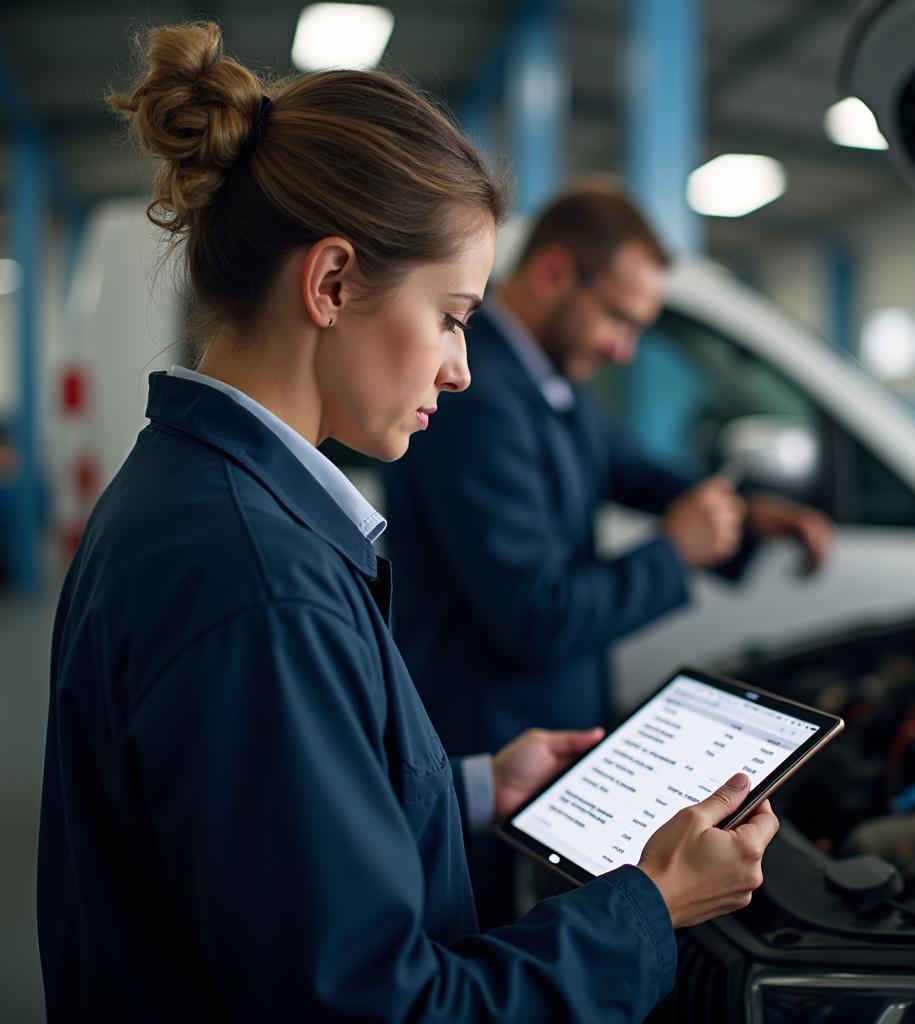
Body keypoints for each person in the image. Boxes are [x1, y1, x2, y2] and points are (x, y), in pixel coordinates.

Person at [36, 22, 780, 1023]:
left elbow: (273, 838)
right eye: (452, 315)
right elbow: (383, 1007)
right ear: (332, 282)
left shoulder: (196, 495)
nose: (461, 367)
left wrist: (472, 787)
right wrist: (648, 907)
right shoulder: (260, 585)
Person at [382, 185, 831, 927]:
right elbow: (536, 614)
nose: (623, 348)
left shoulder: (549, 378)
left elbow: (632, 469)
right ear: (556, 273)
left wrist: (747, 515)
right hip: (489, 755)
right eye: (618, 319)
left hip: (538, 754)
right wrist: (677, 553)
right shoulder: (477, 396)